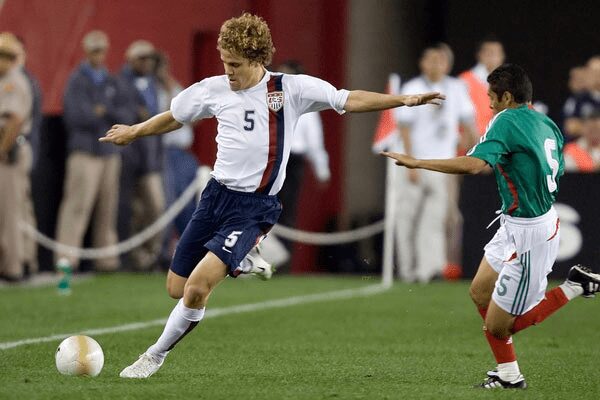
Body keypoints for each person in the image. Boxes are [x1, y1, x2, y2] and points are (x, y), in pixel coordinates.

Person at [99, 13, 444, 379]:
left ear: (256, 59)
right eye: (224, 63)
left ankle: (153, 355)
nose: (228, 72)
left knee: (197, 290)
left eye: (235, 65)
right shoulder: (211, 89)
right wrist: (135, 131)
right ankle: (243, 261)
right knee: (176, 288)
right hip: (215, 197)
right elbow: (174, 116)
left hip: (254, 208)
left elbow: (348, 99)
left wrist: (403, 100)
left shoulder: (290, 89)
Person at [382, 63, 600, 389]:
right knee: (479, 291)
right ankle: (509, 374)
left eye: (491, 97)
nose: (489, 103)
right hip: (515, 223)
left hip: (530, 234)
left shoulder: (505, 120)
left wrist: (419, 162)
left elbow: (473, 166)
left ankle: (575, 286)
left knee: (500, 327)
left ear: (507, 96)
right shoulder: (547, 123)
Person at [394, 43, 476, 283]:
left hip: (442, 163)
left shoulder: (457, 88)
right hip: (414, 161)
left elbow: (470, 125)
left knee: (435, 218)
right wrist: (410, 162)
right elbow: (405, 128)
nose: (435, 64)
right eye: (430, 60)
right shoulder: (413, 87)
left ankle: (429, 269)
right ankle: (407, 269)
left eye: (439, 60)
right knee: (407, 217)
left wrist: (470, 152)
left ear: (447, 64)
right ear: (422, 64)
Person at [55, 31, 132, 279]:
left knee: (108, 208)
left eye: (101, 50)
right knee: (77, 205)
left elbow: (126, 113)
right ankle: (66, 259)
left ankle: (106, 259)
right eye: (94, 50)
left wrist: (101, 110)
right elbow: (75, 116)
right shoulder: (77, 80)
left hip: (109, 151)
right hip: (85, 151)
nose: (98, 55)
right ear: (86, 51)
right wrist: (103, 113)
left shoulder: (111, 81)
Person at [118, 40, 165, 270]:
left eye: (150, 58)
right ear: (131, 59)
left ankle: (150, 255)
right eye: (142, 58)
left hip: (150, 158)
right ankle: (133, 258)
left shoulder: (153, 83)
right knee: (130, 211)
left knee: (155, 206)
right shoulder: (120, 82)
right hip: (128, 157)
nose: (147, 63)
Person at [153, 51, 200, 260]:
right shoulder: (154, 91)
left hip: (183, 153)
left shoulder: (177, 88)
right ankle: (166, 251)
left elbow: (196, 117)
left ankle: (190, 247)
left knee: (189, 202)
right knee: (170, 201)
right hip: (165, 152)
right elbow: (164, 117)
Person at [0, 32, 32, 282]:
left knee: (10, 210)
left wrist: (2, 149)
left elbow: (14, 120)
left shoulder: (14, 82)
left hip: (10, 151)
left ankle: (13, 268)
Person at [459, 36, 505, 136]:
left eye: (496, 53)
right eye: (489, 53)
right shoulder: (464, 81)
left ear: (502, 57)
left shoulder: (508, 83)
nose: (493, 57)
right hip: (473, 144)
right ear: (479, 55)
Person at [562, 56, 600, 140]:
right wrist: (594, 130)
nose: (597, 76)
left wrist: (583, 126)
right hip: (583, 149)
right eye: (593, 72)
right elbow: (570, 126)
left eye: (598, 72)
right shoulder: (578, 99)